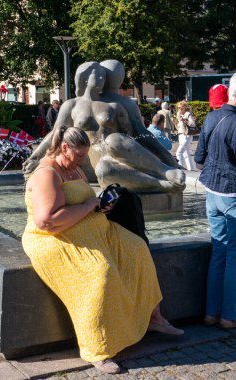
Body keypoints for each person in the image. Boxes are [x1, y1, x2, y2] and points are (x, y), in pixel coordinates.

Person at [22, 125, 184, 375]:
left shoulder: (72, 167)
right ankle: (97, 349)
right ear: (64, 148)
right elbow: (47, 221)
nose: (82, 160)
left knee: (137, 249)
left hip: (93, 229)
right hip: (56, 239)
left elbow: (83, 203)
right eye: (79, 155)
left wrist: (100, 206)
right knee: (100, 273)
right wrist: (89, 205)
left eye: (84, 156)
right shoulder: (47, 174)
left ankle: (154, 318)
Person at [23, 61, 185, 193]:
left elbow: (137, 135)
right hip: (86, 163)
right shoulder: (71, 105)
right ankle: (161, 183)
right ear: (85, 79)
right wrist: (35, 158)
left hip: (111, 155)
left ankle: (164, 171)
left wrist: (167, 158)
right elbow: (55, 134)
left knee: (113, 142)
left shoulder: (114, 106)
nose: (103, 80)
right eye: (98, 76)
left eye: (104, 76)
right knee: (103, 171)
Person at [194, 79, 236, 329]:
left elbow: (199, 157)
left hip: (211, 191)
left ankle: (211, 313)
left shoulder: (212, 118)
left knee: (219, 251)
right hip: (232, 194)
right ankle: (229, 316)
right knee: (233, 256)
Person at [175, 101, 196, 171]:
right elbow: (179, 128)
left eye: (181, 108)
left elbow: (192, 124)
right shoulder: (179, 114)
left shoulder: (188, 114)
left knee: (179, 152)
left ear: (184, 107)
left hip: (186, 136)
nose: (179, 109)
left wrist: (184, 120)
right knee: (185, 153)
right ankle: (191, 169)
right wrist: (176, 123)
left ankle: (181, 170)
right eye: (178, 108)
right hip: (181, 135)